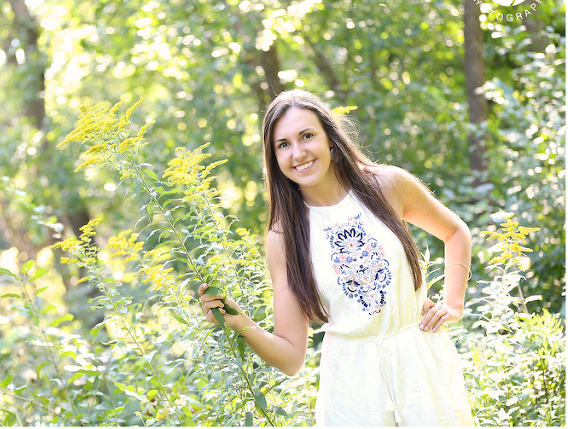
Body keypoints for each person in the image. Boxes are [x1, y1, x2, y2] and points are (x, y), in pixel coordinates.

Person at [199, 89, 473, 426]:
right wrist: (240, 323)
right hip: (353, 388)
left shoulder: (387, 186)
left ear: (329, 138)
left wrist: (454, 303)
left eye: (307, 136)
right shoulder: (285, 237)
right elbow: (291, 359)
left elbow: (455, 232)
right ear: (274, 158)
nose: (298, 153)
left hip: (418, 366)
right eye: (283, 144)